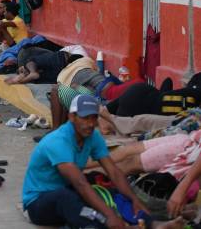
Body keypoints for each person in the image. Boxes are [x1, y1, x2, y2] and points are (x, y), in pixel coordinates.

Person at [22, 94, 183, 229]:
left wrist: (134, 199)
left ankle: (151, 223)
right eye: (85, 118)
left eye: (94, 118)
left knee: (111, 190)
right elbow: (80, 183)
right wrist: (109, 215)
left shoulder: (93, 137)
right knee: (69, 198)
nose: (90, 123)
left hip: (69, 190)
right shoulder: (58, 141)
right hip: (38, 203)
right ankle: (109, 224)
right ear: (72, 117)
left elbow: (114, 172)